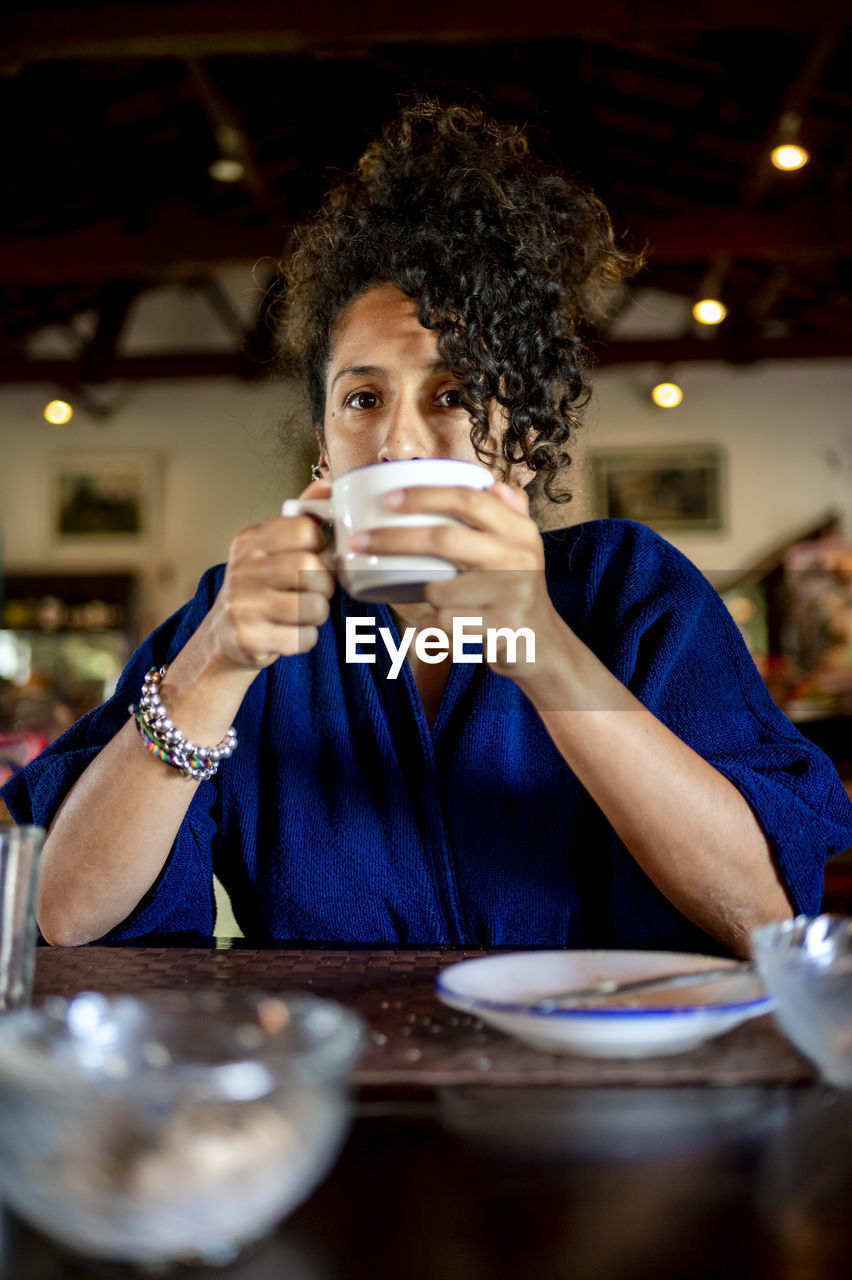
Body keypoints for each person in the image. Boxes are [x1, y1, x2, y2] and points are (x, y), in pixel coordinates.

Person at [4, 100, 851, 956]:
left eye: (453, 394)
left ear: (524, 441)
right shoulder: (245, 618)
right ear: (326, 454)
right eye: (362, 399)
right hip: (340, 1076)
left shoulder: (627, 590)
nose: (400, 440)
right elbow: (65, 914)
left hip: (603, 1074)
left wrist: (541, 647)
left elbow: (768, 915)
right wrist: (210, 666)